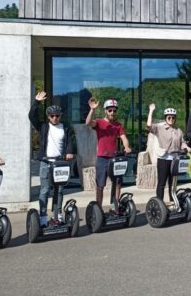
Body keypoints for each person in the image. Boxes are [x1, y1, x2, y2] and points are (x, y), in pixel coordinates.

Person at [29, 91, 76, 227]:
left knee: (59, 190)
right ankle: (43, 216)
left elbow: (70, 142)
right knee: (44, 190)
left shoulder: (65, 127)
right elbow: (32, 116)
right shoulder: (43, 126)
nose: (55, 118)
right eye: (52, 116)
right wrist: (37, 102)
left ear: (60, 116)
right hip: (46, 162)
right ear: (48, 117)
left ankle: (58, 214)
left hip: (60, 163)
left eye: (57, 116)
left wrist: (69, 152)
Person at [85, 97, 132, 213]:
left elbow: (123, 138)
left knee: (117, 183)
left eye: (114, 110)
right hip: (102, 158)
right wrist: (92, 109)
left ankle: (115, 207)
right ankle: (99, 210)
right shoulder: (99, 122)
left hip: (114, 158)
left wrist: (126, 147)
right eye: (110, 110)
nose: (112, 112)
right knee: (100, 185)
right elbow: (88, 123)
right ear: (105, 111)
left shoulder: (118, 125)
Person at [147, 104, 191, 203]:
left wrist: (187, 147)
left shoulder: (178, 130)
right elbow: (149, 126)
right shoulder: (160, 128)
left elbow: (182, 143)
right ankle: (159, 203)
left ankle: (173, 202)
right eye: (169, 117)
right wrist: (151, 111)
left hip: (175, 160)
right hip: (163, 159)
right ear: (165, 118)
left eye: (173, 117)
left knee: (173, 183)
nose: (171, 119)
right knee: (162, 183)